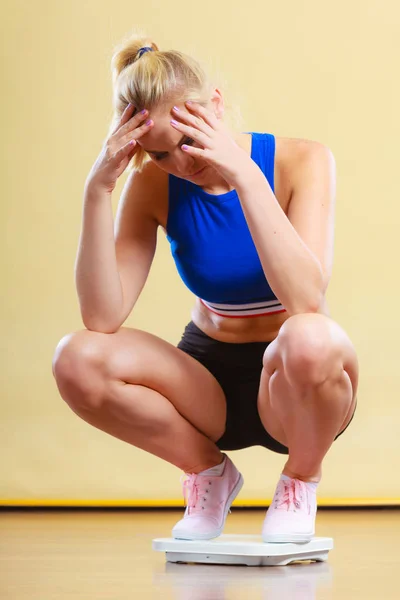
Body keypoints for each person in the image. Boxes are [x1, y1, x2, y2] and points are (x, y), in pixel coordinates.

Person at [52, 34, 359, 544]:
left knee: (310, 336)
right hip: (206, 383)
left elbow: (306, 300)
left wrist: (244, 176)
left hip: (297, 384)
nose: (181, 164)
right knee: (76, 358)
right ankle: (209, 475)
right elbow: (102, 318)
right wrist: (97, 189)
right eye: (159, 152)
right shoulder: (152, 184)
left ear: (213, 105)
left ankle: (301, 482)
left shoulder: (304, 161)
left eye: (188, 140)